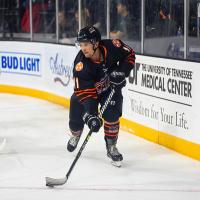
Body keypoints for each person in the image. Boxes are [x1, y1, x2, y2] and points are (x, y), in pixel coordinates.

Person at [67, 26, 135, 167]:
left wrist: (121, 72)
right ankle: (75, 134)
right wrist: (91, 115)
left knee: (112, 114)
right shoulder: (80, 65)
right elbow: (85, 93)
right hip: (88, 92)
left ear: (96, 43)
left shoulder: (113, 46)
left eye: (86, 44)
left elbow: (130, 54)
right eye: (81, 44)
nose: (83, 48)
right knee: (75, 106)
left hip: (109, 88)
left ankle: (111, 147)